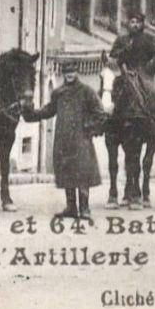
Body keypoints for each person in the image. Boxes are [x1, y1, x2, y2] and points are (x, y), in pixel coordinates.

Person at [23, 57, 108, 218]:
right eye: (67, 72)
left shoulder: (87, 91)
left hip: (81, 139)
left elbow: (100, 114)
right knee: (67, 172)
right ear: (64, 74)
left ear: (77, 72)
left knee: (82, 173)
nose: (70, 75)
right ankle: (71, 208)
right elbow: (48, 111)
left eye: (72, 72)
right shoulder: (58, 93)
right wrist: (30, 113)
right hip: (63, 139)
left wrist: (88, 127)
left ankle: (84, 208)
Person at [108, 10, 155, 209]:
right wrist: (117, 63)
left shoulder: (149, 40)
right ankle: (108, 119)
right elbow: (113, 59)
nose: (134, 25)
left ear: (142, 24)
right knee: (111, 92)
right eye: (131, 21)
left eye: (137, 22)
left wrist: (148, 68)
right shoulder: (121, 40)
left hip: (144, 74)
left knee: (153, 92)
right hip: (124, 75)